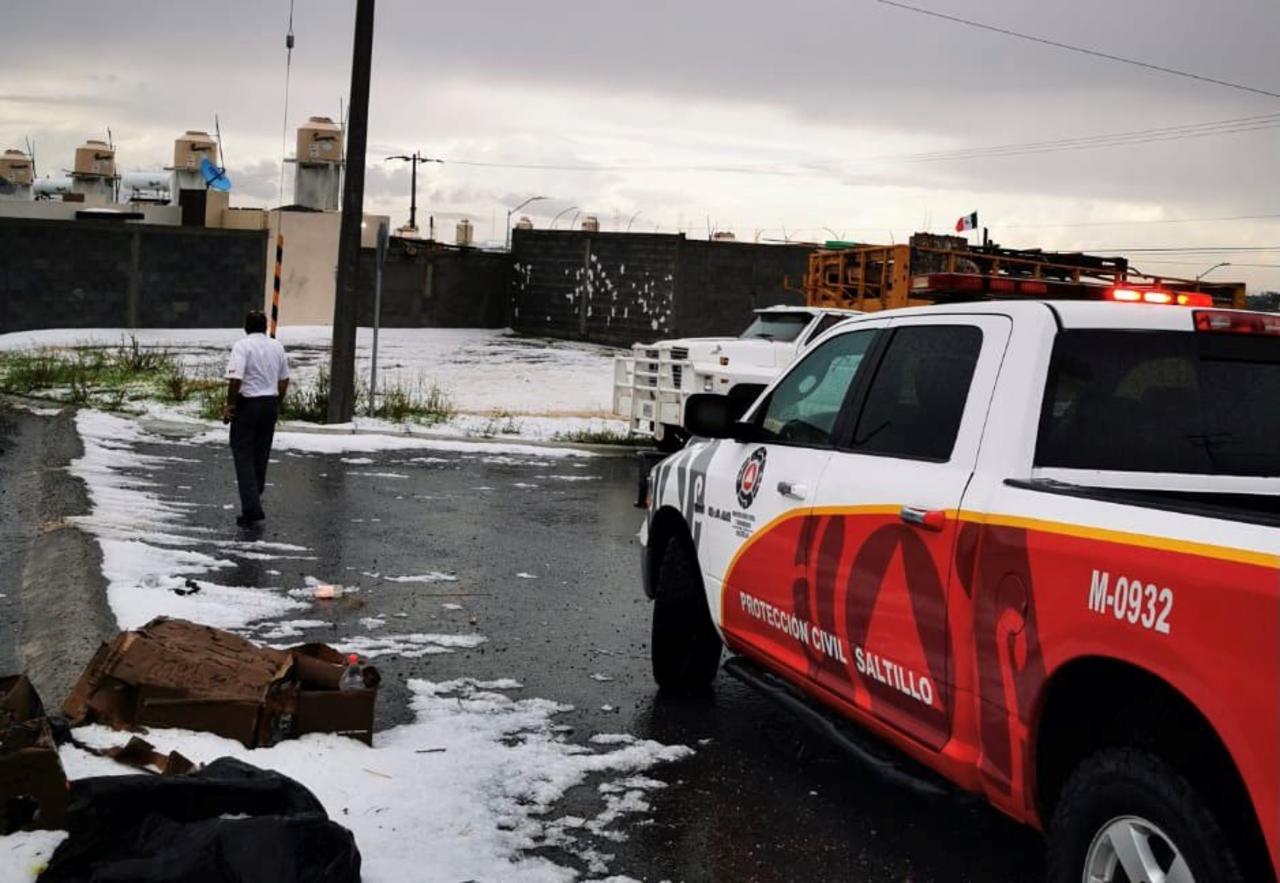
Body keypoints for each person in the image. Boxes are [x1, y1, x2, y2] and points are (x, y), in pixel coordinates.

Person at [222, 311, 289, 527]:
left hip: (248, 405)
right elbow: (284, 380)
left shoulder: (242, 346)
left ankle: (252, 508)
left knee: (243, 454)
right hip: (270, 404)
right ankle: (255, 494)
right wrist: (277, 403)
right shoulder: (277, 347)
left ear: (246, 327)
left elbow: (235, 379)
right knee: (261, 454)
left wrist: (230, 405)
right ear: (266, 326)